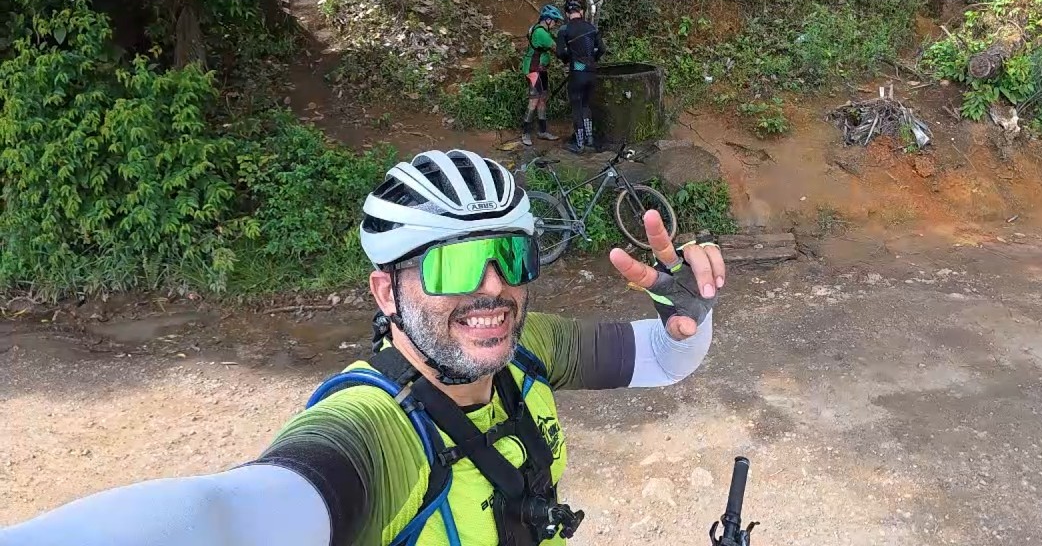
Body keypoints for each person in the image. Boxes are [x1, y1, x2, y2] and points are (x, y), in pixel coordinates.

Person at [0, 149, 726, 546]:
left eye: (510, 255)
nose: (493, 289)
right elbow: (226, 515)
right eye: (450, 265)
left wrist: (688, 310)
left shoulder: (526, 347)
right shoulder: (378, 429)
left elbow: (664, 360)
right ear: (386, 294)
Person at [555, 0, 605, 153]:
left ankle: (579, 143)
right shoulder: (591, 28)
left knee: (576, 106)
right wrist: (592, 60)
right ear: (581, 12)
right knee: (586, 105)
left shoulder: (564, 30)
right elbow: (601, 49)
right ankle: (589, 139)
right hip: (591, 72)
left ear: (567, 13)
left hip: (577, 72)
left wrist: (567, 59)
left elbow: (560, 52)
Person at [521, 5, 563, 147]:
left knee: (542, 100)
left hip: (541, 69)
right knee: (534, 101)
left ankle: (542, 131)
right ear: (548, 20)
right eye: (555, 21)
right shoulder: (541, 33)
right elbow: (557, 49)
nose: (556, 24)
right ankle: (525, 133)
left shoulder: (541, 29)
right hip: (533, 69)